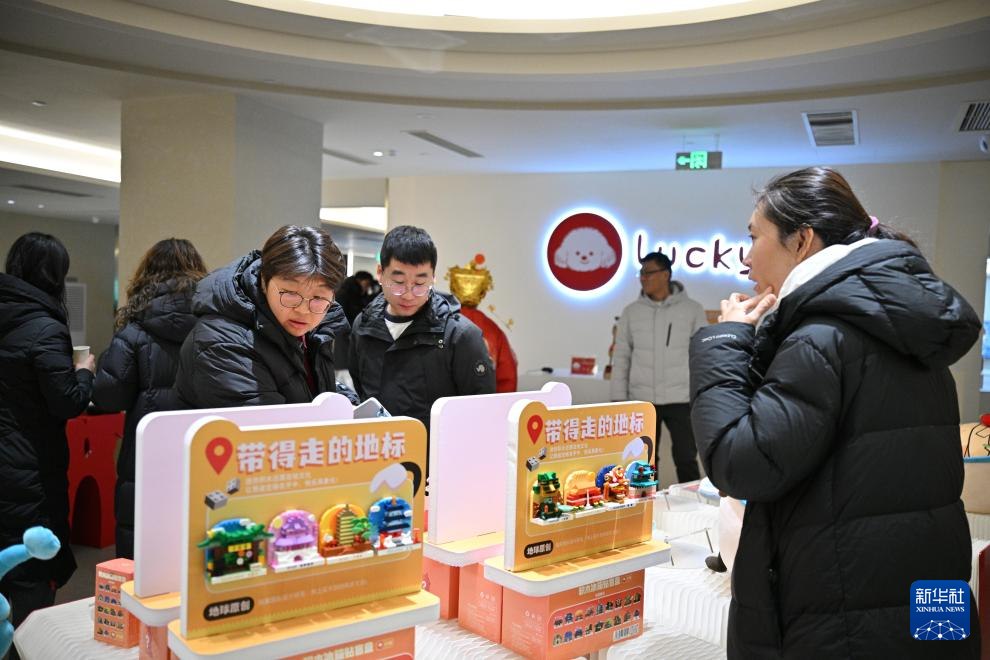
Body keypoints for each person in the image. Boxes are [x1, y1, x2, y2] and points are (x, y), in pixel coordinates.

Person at [689, 167, 981, 658]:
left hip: (843, 611)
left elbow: (740, 465)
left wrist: (724, 341)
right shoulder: (906, 328)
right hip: (923, 589)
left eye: (754, 236)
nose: (745, 256)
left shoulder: (822, 338)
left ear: (802, 241)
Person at [0, 232, 94, 636]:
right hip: (30, 466)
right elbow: (67, 402)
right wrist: (84, 372)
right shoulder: (44, 327)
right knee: (31, 560)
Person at [92, 238, 207, 559]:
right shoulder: (215, 329)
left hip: (146, 455)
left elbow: (108, 397)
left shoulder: (134, 332)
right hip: (202, 451)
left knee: (141, 544)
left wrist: (89, 372)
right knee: (196, 541)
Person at [175, 225, 357, 408]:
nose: (303, 310)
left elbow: (311, 388)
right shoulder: (221, 341)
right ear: (263, 281)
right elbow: (266, 422)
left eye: (318, 297)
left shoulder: (310, 327)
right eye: (290, 293)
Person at [348, 225, 495, 440]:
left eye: (419, 283)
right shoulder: (363, 326)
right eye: (398, 283)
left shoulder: (460, 336)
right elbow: (363, 391)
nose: (408, 294)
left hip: (438, 456)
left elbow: (481, 413)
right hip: (378, 452)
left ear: (433, 277)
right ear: (380, 272)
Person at [610, 250, 707, 483]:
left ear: (666, 275)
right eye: (641, 273)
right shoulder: (631, 312)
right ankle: (645, 502)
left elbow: (703, 356)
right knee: (644, 461)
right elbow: (621, 357)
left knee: (686, 458)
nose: (643, 278)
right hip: (642, 400)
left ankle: (691, 502)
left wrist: (702, 394)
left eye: (649, 273)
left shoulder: (692, 309)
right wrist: (618, 399)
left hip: (681, 398)